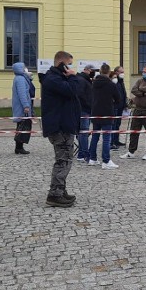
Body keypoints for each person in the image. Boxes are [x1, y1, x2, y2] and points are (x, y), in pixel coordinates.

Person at [41, 51, 83, 207]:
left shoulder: (57, 78)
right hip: (60, 127)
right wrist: (73, 76)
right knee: (63, 161)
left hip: (64, 125)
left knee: (65, 160)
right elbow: (73, 90)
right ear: (62, 64)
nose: (71, 67)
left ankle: (60, 190)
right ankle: (55, 195)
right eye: (69, 64)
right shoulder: (53, 79)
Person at [121, 65, 146, 160]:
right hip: (138, 109)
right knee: (134, 131)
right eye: (143, 71)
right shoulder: (140, 81)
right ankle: (131, 151)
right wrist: (143, 93)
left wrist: (140, 88)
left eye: (145, 72)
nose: (143, 73)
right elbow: (133, 90)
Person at [88, 63, 119, 169]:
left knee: (95, 136)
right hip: (107, 113)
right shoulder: (111, 85)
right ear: (109, 72)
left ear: (100, 71)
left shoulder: (94, 83)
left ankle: (92, 158)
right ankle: (106, 161)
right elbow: (118, 98)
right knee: (106, 138)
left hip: (95, 112)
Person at [11, 61, 35, 155]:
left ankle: (19, 147)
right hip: (22, 107)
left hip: (21, 106)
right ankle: (19, 147)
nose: (25, 68)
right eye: (24, 67)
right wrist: (26, 105)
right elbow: (22, 94)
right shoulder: (20, 79)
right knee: (22, 127)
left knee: (21, 126)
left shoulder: (20, 78)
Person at [75, 64, 95, 162]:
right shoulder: (82, 80)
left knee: (83, 132)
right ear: (87, 70)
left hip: (85, 109)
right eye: (92, 70)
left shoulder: (85, 79)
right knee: (83, 132)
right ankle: (83, 154)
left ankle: (81, 153)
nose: (93, 72)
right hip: (84, 110)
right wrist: (88, 105)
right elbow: (80, 96)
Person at [110, 66, 128, 148]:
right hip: (114, 106)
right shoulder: (114, 81)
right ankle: (111, 142)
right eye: (121, 72)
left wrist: (125, 104)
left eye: (123, 72)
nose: (122, 74)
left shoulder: (121, 81)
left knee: (117, 124)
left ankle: (116, 140)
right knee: (113, 124)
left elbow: (123, 93)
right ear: (116, 72)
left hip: (121, 106)